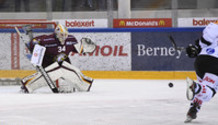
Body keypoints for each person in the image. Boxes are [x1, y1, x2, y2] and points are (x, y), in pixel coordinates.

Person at [21, 24, 96, 93]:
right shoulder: (47, 40)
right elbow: (33, 41)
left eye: (65, 35)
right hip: (48, 65)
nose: (63, 37)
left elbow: (78, 48)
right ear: (56, 34)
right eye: (61, 35)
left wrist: (86, 46)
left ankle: (85, 85)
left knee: (68, 69)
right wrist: (33, 45)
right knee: (60, 68)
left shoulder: (70, 39)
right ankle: (28, 84)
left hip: (61, 64)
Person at [185, 22, 218, 123]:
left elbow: (204, 41)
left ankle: (193, 109)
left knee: (204, 87)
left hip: (201, 61)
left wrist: (195, 48)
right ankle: (196, 87)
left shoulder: (214, 26)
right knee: (209, 91)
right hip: (215, 63)